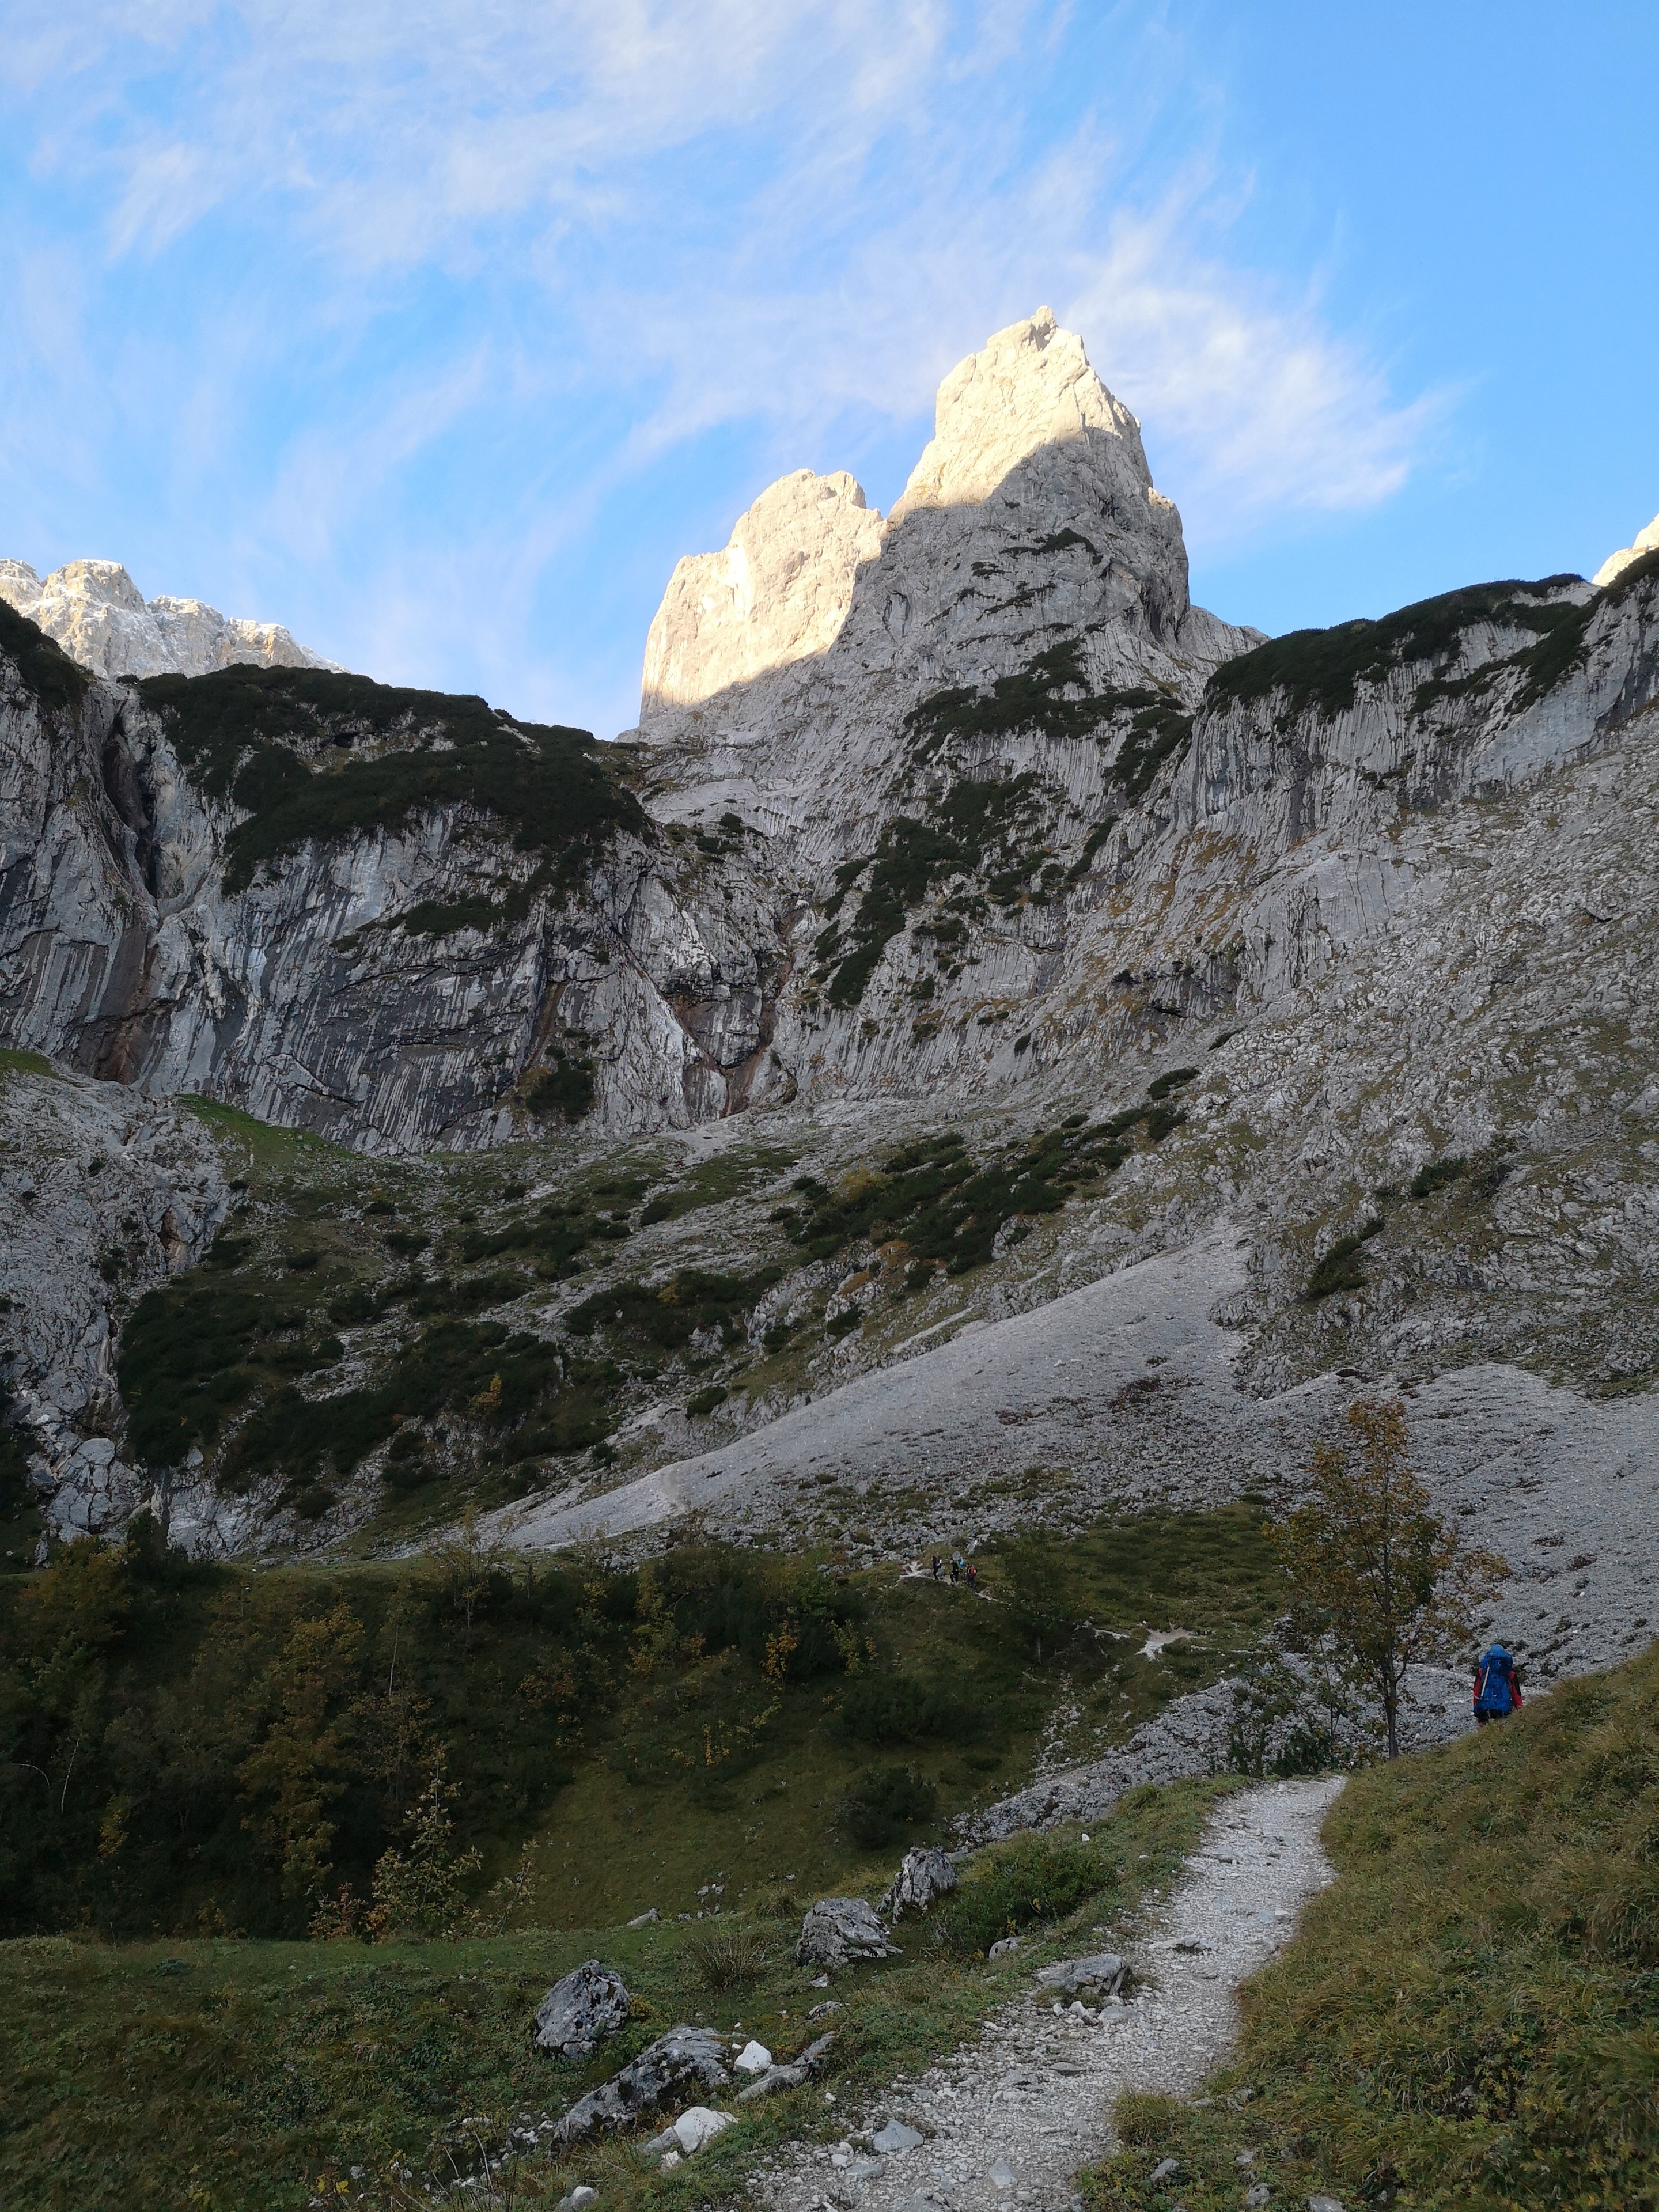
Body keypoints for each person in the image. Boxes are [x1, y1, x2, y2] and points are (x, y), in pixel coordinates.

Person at [1472, 1643, 1524, 1725]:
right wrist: (1521, 1713)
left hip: (1484, 1712)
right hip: (1503, 1712)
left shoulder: (1482, 1673)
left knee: (1484, 1735)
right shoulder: (1510, 1674)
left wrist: (1476, 1708)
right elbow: (1516, 1695)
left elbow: (1476, 1692)